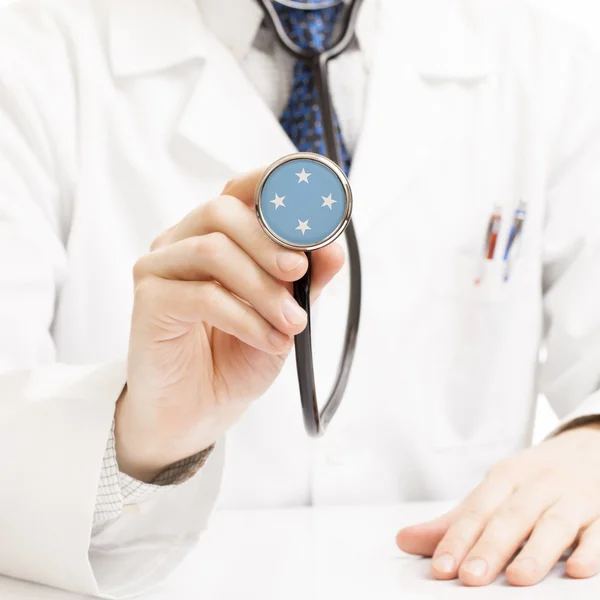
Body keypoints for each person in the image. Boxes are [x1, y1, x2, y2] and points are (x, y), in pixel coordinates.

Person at [1, 0, 600, 596]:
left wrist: (591, 441)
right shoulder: (30, 56)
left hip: (460, 579)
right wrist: (144, 442)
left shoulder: (551, 61)